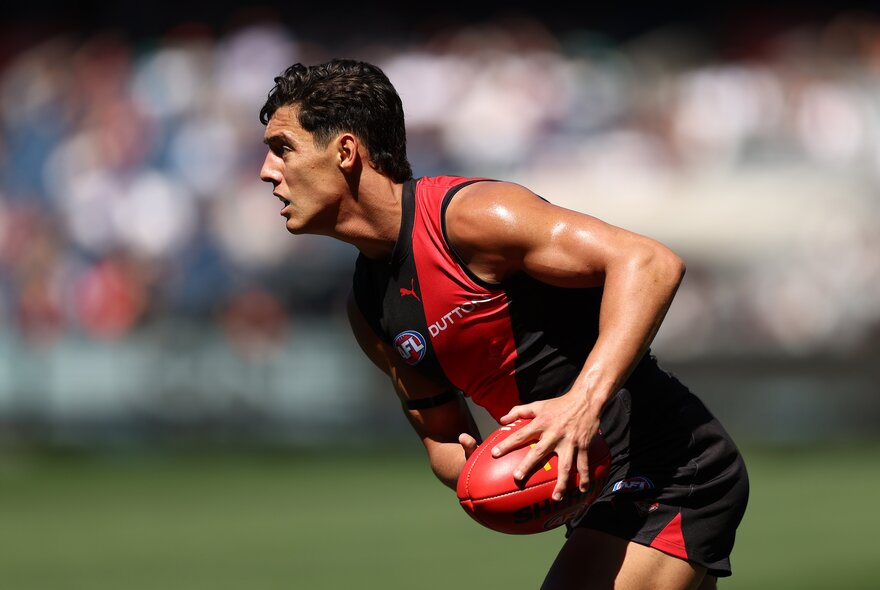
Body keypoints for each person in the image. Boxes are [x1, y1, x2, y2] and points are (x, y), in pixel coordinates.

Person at [258, 58, 749, 590]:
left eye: (283, 148)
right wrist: (486, 478)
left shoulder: (471, 218)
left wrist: (581, 404)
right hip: (594, 489)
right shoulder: (368, 307)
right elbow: (444, 437)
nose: (266, 171)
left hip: (671, 464)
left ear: (346, 152)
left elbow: (649, 263)